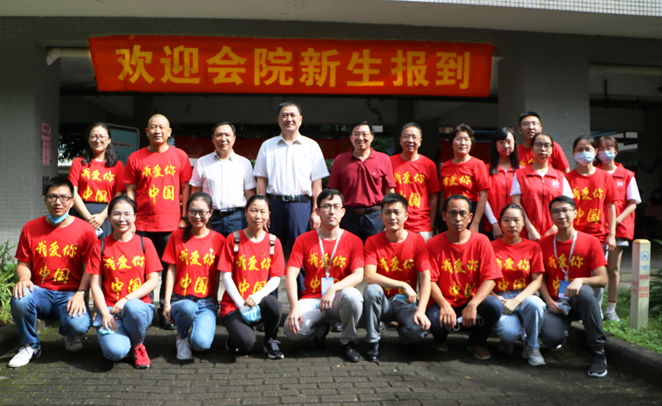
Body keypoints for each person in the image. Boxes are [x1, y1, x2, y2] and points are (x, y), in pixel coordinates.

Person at [9, 177, 97, 368]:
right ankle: (31, 345)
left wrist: (82, 293)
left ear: (72, 202)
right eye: (53, 197)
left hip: (71, 293)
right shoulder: (31, 228)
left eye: (64, 198)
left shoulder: (85, 230)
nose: (58, 202)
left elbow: (89, 268)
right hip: (41, 292)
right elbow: (23, 263)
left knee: (79, 324)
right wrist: (24, 278)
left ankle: (69, 333)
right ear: (45, 200)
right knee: (20, 297)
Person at [124, 114, 192, 330]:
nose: (157, 131)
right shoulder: (136, 157)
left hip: (171, 224)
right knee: (142, 270)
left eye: (162, 127)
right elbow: (130, 190)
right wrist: (131, 219)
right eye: (153, 127)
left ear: (169, 132)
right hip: (142, 224)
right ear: (147, 132)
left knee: (169, 269)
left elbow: (185, 188)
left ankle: (166, 311)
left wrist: (184, 217)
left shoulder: (180, 156)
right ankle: (143, 311)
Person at [254, 101, 329, 297]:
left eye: (293, 115)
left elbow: (317, 184)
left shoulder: (311, 146)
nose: (289, 119)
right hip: (274, 205)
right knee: (269, 253)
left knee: (302, 253)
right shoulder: (268, 146)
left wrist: (316, 211)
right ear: (278, 120)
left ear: (300, 119)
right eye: (285, 115)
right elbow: (261, 181)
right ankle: (268, 303)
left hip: (301, 206)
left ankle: (304, 300)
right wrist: (262, 212)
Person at [284, 189, 365, 362]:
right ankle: (320, 330)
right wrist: (294, 307)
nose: (332, 211)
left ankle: (348, 341)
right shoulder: (303, 240)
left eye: (336, 206)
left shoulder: (354, 241)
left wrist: (333, 288)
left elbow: (358, 275)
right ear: (317, 211)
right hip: (312, 298)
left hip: (339, 298)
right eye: (327, 206)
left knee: (353, 296)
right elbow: (291, 275)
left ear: (343, 212)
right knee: (291, 330)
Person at [87, 196, 162, 368]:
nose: (122, 219)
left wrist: (126, 299)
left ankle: (137, 345)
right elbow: (95, 285)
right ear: (109, 217)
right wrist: (104, 313)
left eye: (127, 214)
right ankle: (124, 338)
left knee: (133, 307)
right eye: (117, 214)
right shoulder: (100, 246)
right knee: (114, 353)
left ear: (135, 217)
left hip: (138, 308)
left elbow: (153, 281)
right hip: (111, 310)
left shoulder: (145, 243)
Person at [538, 196, 609, 378]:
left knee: (584, 291)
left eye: (565, 210)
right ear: (550, 216)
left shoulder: (591, 241)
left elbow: (603, 279)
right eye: (556, 211)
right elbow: (540, 279)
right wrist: (549, 301)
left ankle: (598, 352)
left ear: (575, 213)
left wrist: (581, 280)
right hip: (557, 302)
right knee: (551, 339)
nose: (561, 215)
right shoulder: (543, 243)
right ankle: (559, 334)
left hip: (580, 300)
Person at [426, 195, 502, 360]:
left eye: (462, 213)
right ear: (444, 216)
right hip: (443, 301)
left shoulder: (482, 241)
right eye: (453, 213)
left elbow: (491, 278)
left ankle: (477, 342)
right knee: (434, 320)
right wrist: (444, 305)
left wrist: (473, 304)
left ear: (470, 217)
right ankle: (440, 338)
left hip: (471, 299)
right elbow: (429, 281)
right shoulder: (432, 244)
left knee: (494, 305)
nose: (458, 218)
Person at [363, 193, 432, 362]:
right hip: (382, 303)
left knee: (418, 330)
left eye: (397, 212)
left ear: (406, 216)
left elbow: (425, 278)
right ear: (381, 216)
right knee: (371, 290)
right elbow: (369, 276)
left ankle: (405, 336)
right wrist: (403, 284)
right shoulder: (372, 241)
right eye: (387, 213)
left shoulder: (417, 241)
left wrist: (421, 310)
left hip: (406, 303)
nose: (392, 217)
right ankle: (373, 342)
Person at [217, 194, 286, 359]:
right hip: (234, 305)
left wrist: (257, 296)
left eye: (263, 211)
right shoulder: (233, 239)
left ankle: (271, 340)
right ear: (246, 212)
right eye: (254, 210)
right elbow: (226, 276)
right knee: (246, 343)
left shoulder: (273, 242)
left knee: (273, 304)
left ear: (269, 214)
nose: (258, 216)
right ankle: (234, 340)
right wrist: (241, 304)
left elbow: (276, 277)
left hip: (258, 301)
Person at [162, 192, 225, 360]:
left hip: (206, 302)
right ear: (187, 212)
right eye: (193, 212)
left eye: (202, 212)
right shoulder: (176, 236)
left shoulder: (218, 239)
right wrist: (167, 303)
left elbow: (217, 274)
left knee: (201, 344)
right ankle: (182, 337)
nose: (197, 216)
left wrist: (214, 300)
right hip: (181, 300)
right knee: (188, 308)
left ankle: (195, 334)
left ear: (210, 213)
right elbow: (171, 271)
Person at [490, 204, 546, 366]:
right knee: (508, 333)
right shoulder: (490, 247)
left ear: (523, 223)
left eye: (516, 220)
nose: (512, 225)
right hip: (501, 297)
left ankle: (532, 346)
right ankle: (507, 340)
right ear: (500, 223)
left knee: (536, 304)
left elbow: (537, 280)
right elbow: (484, 280)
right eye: (507, 220)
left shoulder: (533, 247)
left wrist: (517, 300)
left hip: (525, 295)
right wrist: (495, 297)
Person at [596, 136, 641, 321]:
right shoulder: (593, 173)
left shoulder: (627, 175)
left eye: (609, 148)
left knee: (613, 269)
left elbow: (633, 203)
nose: (604, 151)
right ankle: (594, 308)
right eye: (601, 148)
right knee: (595, 269)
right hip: (596, 229)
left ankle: (611, 309)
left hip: (619, 230)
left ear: (616, 151)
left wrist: (616, 221)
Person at [328, 121, 396, 242]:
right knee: (347, 250)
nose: (360, 138)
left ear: (372, 137)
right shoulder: (340, 160)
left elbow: (389, 192)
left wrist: (390, 217)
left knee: (376, 250)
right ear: (351, 138)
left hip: (375, 217)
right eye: (356, 134)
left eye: (365, 134)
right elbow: (334, 192)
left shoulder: (383, 159)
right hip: (348, 216)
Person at [189, 122, 256, 237]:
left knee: (236, 247)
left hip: (237, 218)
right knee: (211, 248)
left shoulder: (244, 163)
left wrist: (252, 216)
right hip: (210, 217)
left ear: (234, 138)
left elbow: (250, 193)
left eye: (227, 135)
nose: (223, 138)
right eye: (219, 135)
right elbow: (195, 192)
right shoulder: (202, 162)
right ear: (213, 139)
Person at [511, 132, 573, 241]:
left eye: (546, 145)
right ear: (532, 148)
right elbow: (516, 203)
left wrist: (554, 227)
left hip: (556, 234)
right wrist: (530, 229)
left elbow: (569, 205)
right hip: (527, 235)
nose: (542, 149)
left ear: (552, 149)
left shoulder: (560, 176)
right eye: (538, 145)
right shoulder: (520, 175)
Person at [68, 122, 126, 240]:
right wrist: (88, 218)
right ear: (88, 140)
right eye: (94, 136)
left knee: (104, 248)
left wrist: (102, 217)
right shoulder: (78, 162)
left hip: (106, 215)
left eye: (102, 136)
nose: (98, 140)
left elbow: (118, 194)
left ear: (109, 139)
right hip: (81, 212)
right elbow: (72, 191)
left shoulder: (118, 165)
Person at [390, 122, 441, 242]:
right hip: (397, 223)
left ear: (420, 141)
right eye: (406, 136)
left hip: (421, 224)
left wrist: (431, 223)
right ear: (400, 140)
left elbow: (433, 197)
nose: (410, 140)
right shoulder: (389, 162)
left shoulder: (429, 165)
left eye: (414, 137)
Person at [566, 135, 617, 251]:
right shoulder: (567, 178)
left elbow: (610, 207)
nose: (584, 153)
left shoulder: (605, 177)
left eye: (588, 149)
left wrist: (612, 235)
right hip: (574, 235)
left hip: (599, 236)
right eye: (579, 150)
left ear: (595, 152)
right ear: (574, 153)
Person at [439, 124, 490, 233]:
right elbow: (443, 194)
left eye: (466, 139)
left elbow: (483, 196)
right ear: (452, 143)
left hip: (469, 213)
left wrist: (475, 223)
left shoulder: (478, 164)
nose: (463, 143)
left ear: (471, 143)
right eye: (458, 139)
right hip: (449, 213)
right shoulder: (444, 166)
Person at [483, 127, 519, 239]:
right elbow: (483, 199)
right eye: (502, 142)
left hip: (517, 227)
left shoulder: (522, 171)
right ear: (495, 144)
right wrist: (494, 223)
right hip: (492, 227)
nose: (506, 146)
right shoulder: (485, 170)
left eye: (509, 142)